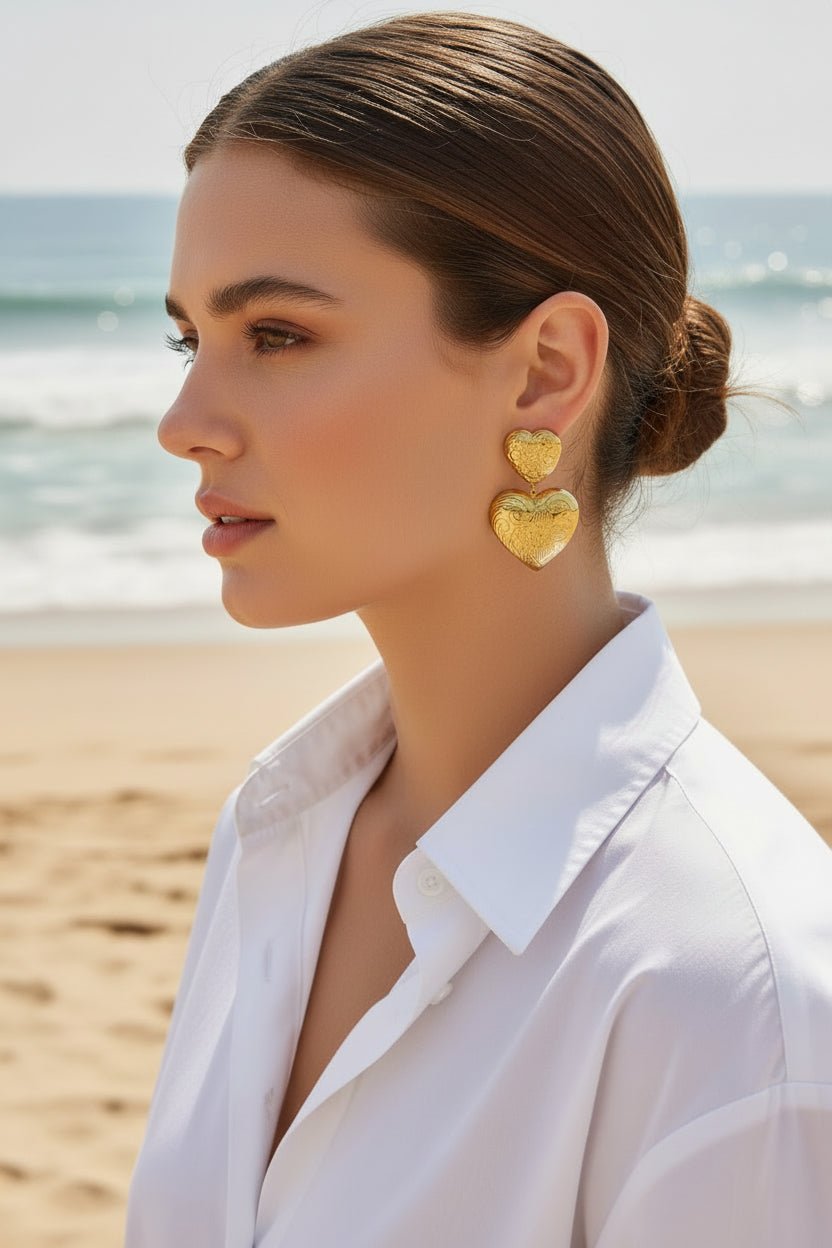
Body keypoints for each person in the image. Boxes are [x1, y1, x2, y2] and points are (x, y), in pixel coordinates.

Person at [124, 11, 832, 1247]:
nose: (186, 418)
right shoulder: (280, 832)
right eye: (190, 338)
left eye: (275, 335)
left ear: (546, 372)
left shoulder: (739, 999)